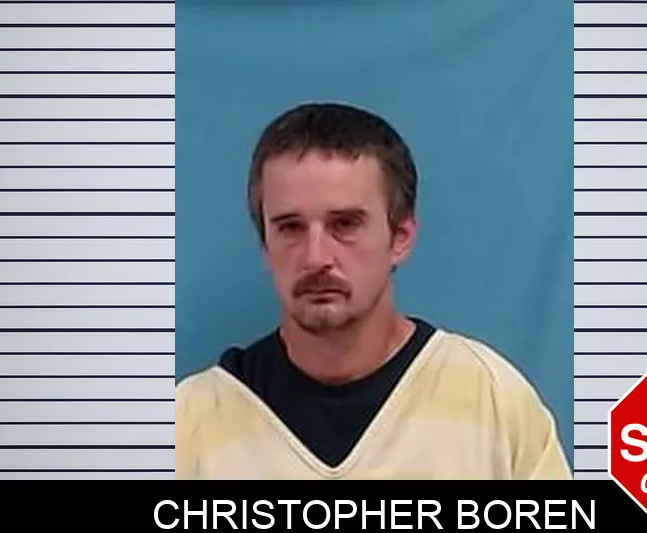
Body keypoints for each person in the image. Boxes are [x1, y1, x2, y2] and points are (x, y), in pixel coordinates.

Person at [175, 102, 572, 480]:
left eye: (345, 224)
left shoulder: (492, 402)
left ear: (401, 237)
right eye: (290, 228)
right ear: (265, 245)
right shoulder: (190, 425)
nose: (316, 258)